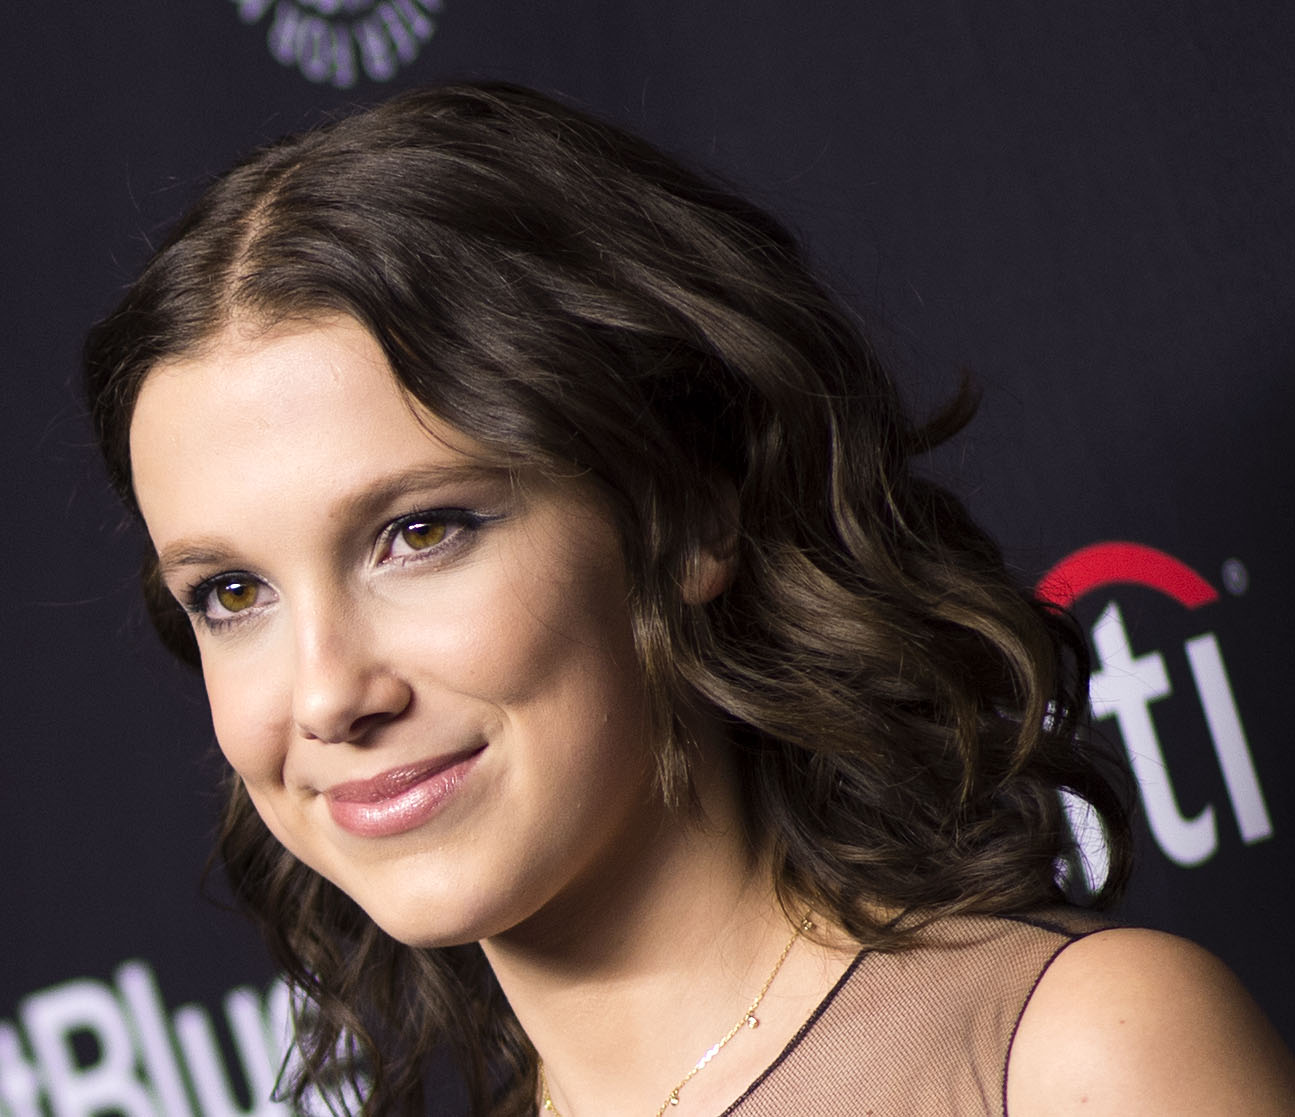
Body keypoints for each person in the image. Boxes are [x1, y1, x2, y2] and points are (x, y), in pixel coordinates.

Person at [83, 83, 1294, 1116]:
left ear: (685, 513)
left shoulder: (1075, 1057)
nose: (327, 691)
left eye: (419, 531)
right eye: (231, 591)